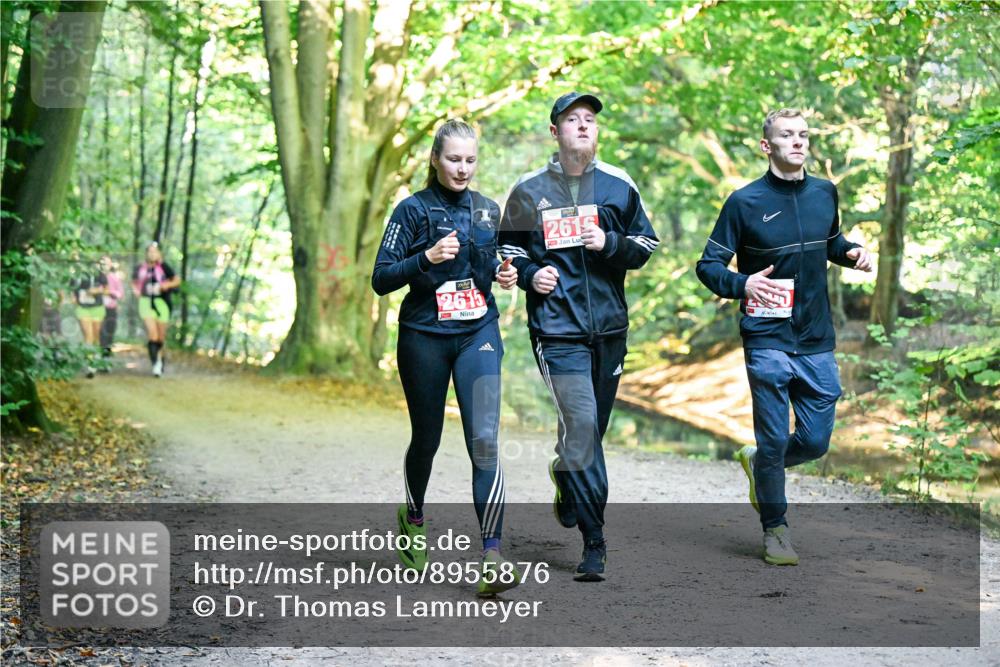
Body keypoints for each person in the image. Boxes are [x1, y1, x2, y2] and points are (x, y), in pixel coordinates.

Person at [695, 108, 873, 566]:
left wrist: (851, 252)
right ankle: (775, 528)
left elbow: (830, 243)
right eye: (787, 135)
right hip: (766, 336)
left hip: (816, 336)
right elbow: (708, 266)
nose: (798, 142)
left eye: (803, 135)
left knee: (815, 442)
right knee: (774, 438)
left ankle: (759, 464)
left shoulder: (824, 192)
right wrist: (743, 283)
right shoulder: (744, 202)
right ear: (766, 146)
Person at [497, 92, 660, 581]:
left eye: (590, 119)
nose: (584, 126)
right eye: (573, 119)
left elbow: (645, 243)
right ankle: (595, 541)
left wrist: (609, 243)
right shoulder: (529, 190)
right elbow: (507, 250)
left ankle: (567, 472)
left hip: (609, 329)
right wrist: (531, 275)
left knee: (591, 431)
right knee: (584, 425)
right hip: (557, 330)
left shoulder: (618, 185)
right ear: (556, 132)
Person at [372, 119, 520, 597]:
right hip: (424, 337)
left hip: (478, 332)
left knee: (485, 440)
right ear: (435, 159)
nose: (462, 169)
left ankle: (492, 556)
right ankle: (414, 516)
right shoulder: (412, 210)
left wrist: (504, 274)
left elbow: (494, 263)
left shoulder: (488, 210)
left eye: (470, 160)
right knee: (427, 439)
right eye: (454, 159)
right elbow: (381, 277)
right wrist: (427, 258)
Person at [132, 242, 181, 377]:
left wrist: (166, 285)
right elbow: (134, 282)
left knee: (160, 336)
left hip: (162, 302)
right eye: (150, 251)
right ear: (146, 253)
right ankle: (155, 364)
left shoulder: (164, 267)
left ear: (159, 253)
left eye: (155, 251)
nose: (152, 254)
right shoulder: (140, 268)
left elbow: (177, 280)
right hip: (146, 302)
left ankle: (160, 360)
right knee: (152, 334)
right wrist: (136, 291)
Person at [70, 261, 108, 378]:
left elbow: (107, 289)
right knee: (88, 336)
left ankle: (96, 357)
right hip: (83, 309)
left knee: (96, 336)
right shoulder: (76, 276)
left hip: (97, 308)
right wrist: (73, 297)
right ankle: (90, 364)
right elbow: (72, 290)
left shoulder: (100, 275)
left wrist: (96, 291)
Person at [98, 255, 124, 365]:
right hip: (98, 309)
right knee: (100, 333)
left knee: (109, 333)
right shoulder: (96, 277)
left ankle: (106, 358)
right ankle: (98, 358)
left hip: (111, 309)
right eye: (102, 263)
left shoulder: (115, 278)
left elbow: (120, 293)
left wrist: (110, 293)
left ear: (110, 265)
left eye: (107, 263)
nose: (104, 265)